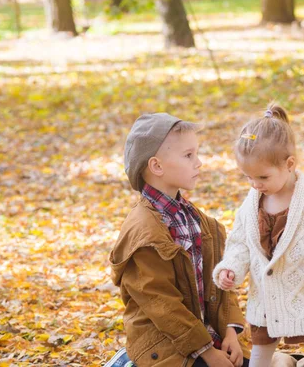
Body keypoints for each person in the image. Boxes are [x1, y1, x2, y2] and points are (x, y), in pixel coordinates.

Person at [214, 105, 304, 367]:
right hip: (266, 298)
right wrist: (231, 268)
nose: (255, 184)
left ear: (290, 164)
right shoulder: (252, 202)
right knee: (260, 353)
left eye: (262, 176)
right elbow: (240, 243)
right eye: (248, 177)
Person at [106, 113, 250, 367]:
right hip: (165, 347)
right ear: (157, 166)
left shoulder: (197, 221)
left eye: (196, 154)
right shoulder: (145, 233)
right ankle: (127, 362)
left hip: (206, 336)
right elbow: (162, 304)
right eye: (188, 155)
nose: (199, 163)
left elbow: (221, 282)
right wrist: (207, 352)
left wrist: (230, 331)